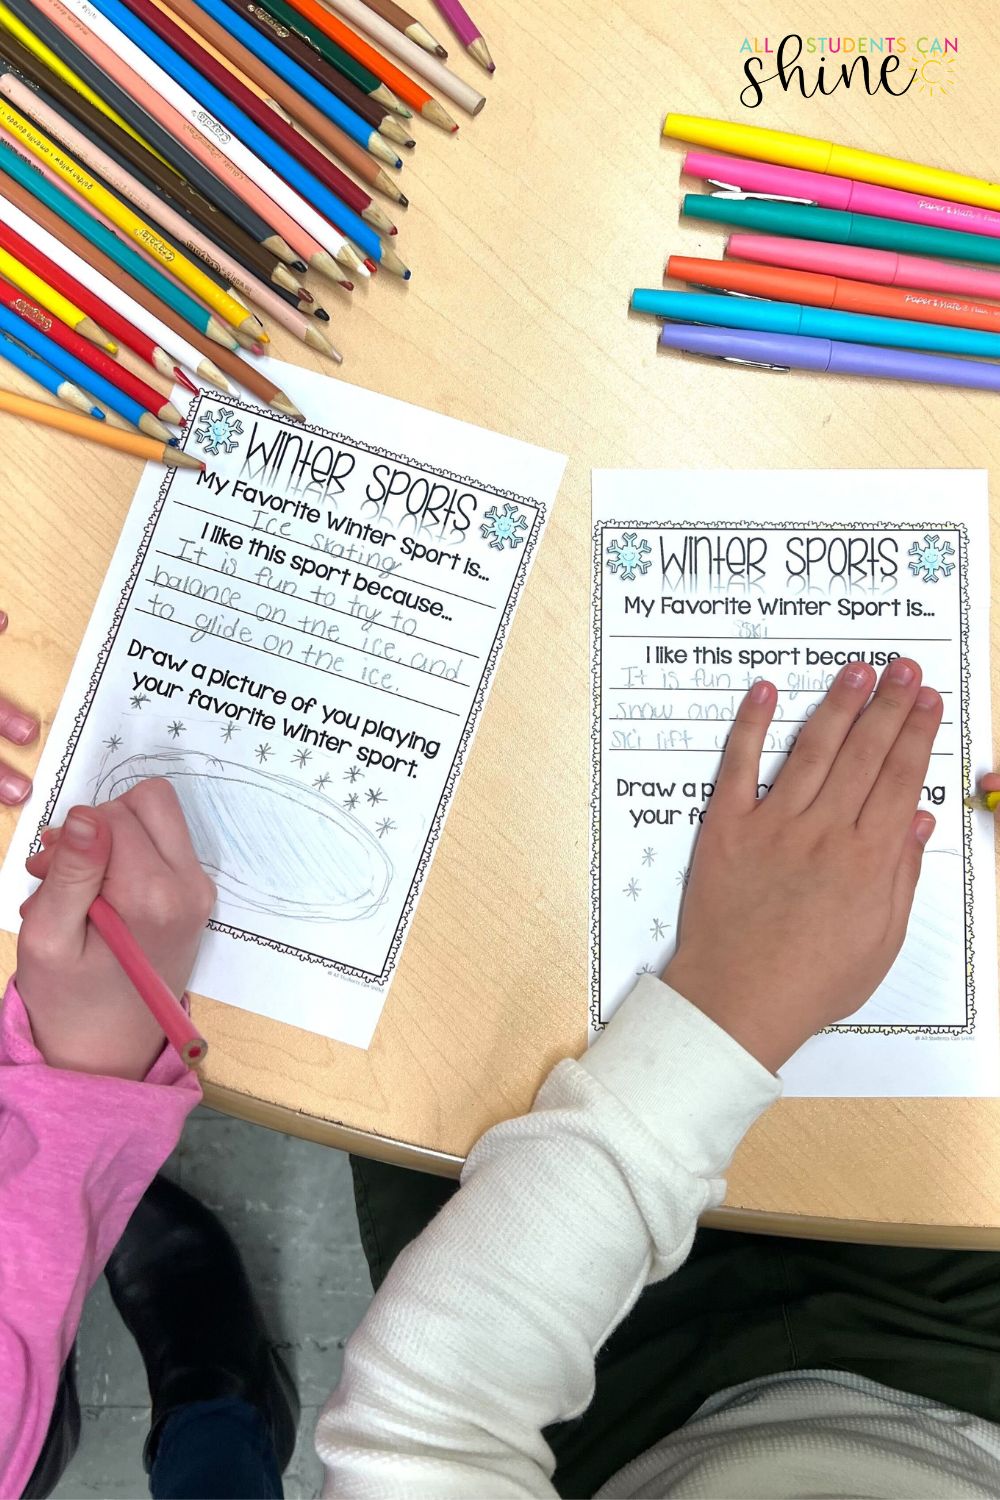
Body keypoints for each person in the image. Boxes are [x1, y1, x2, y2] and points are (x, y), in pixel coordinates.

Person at [6, 651, 1000, 1497]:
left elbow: (424, 1425)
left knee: (435, 1003)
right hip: (967, 1373)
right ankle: (215, 1410)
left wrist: (732, 1005)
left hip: (591, 1419)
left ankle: (214, 1414)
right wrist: (740, 996)